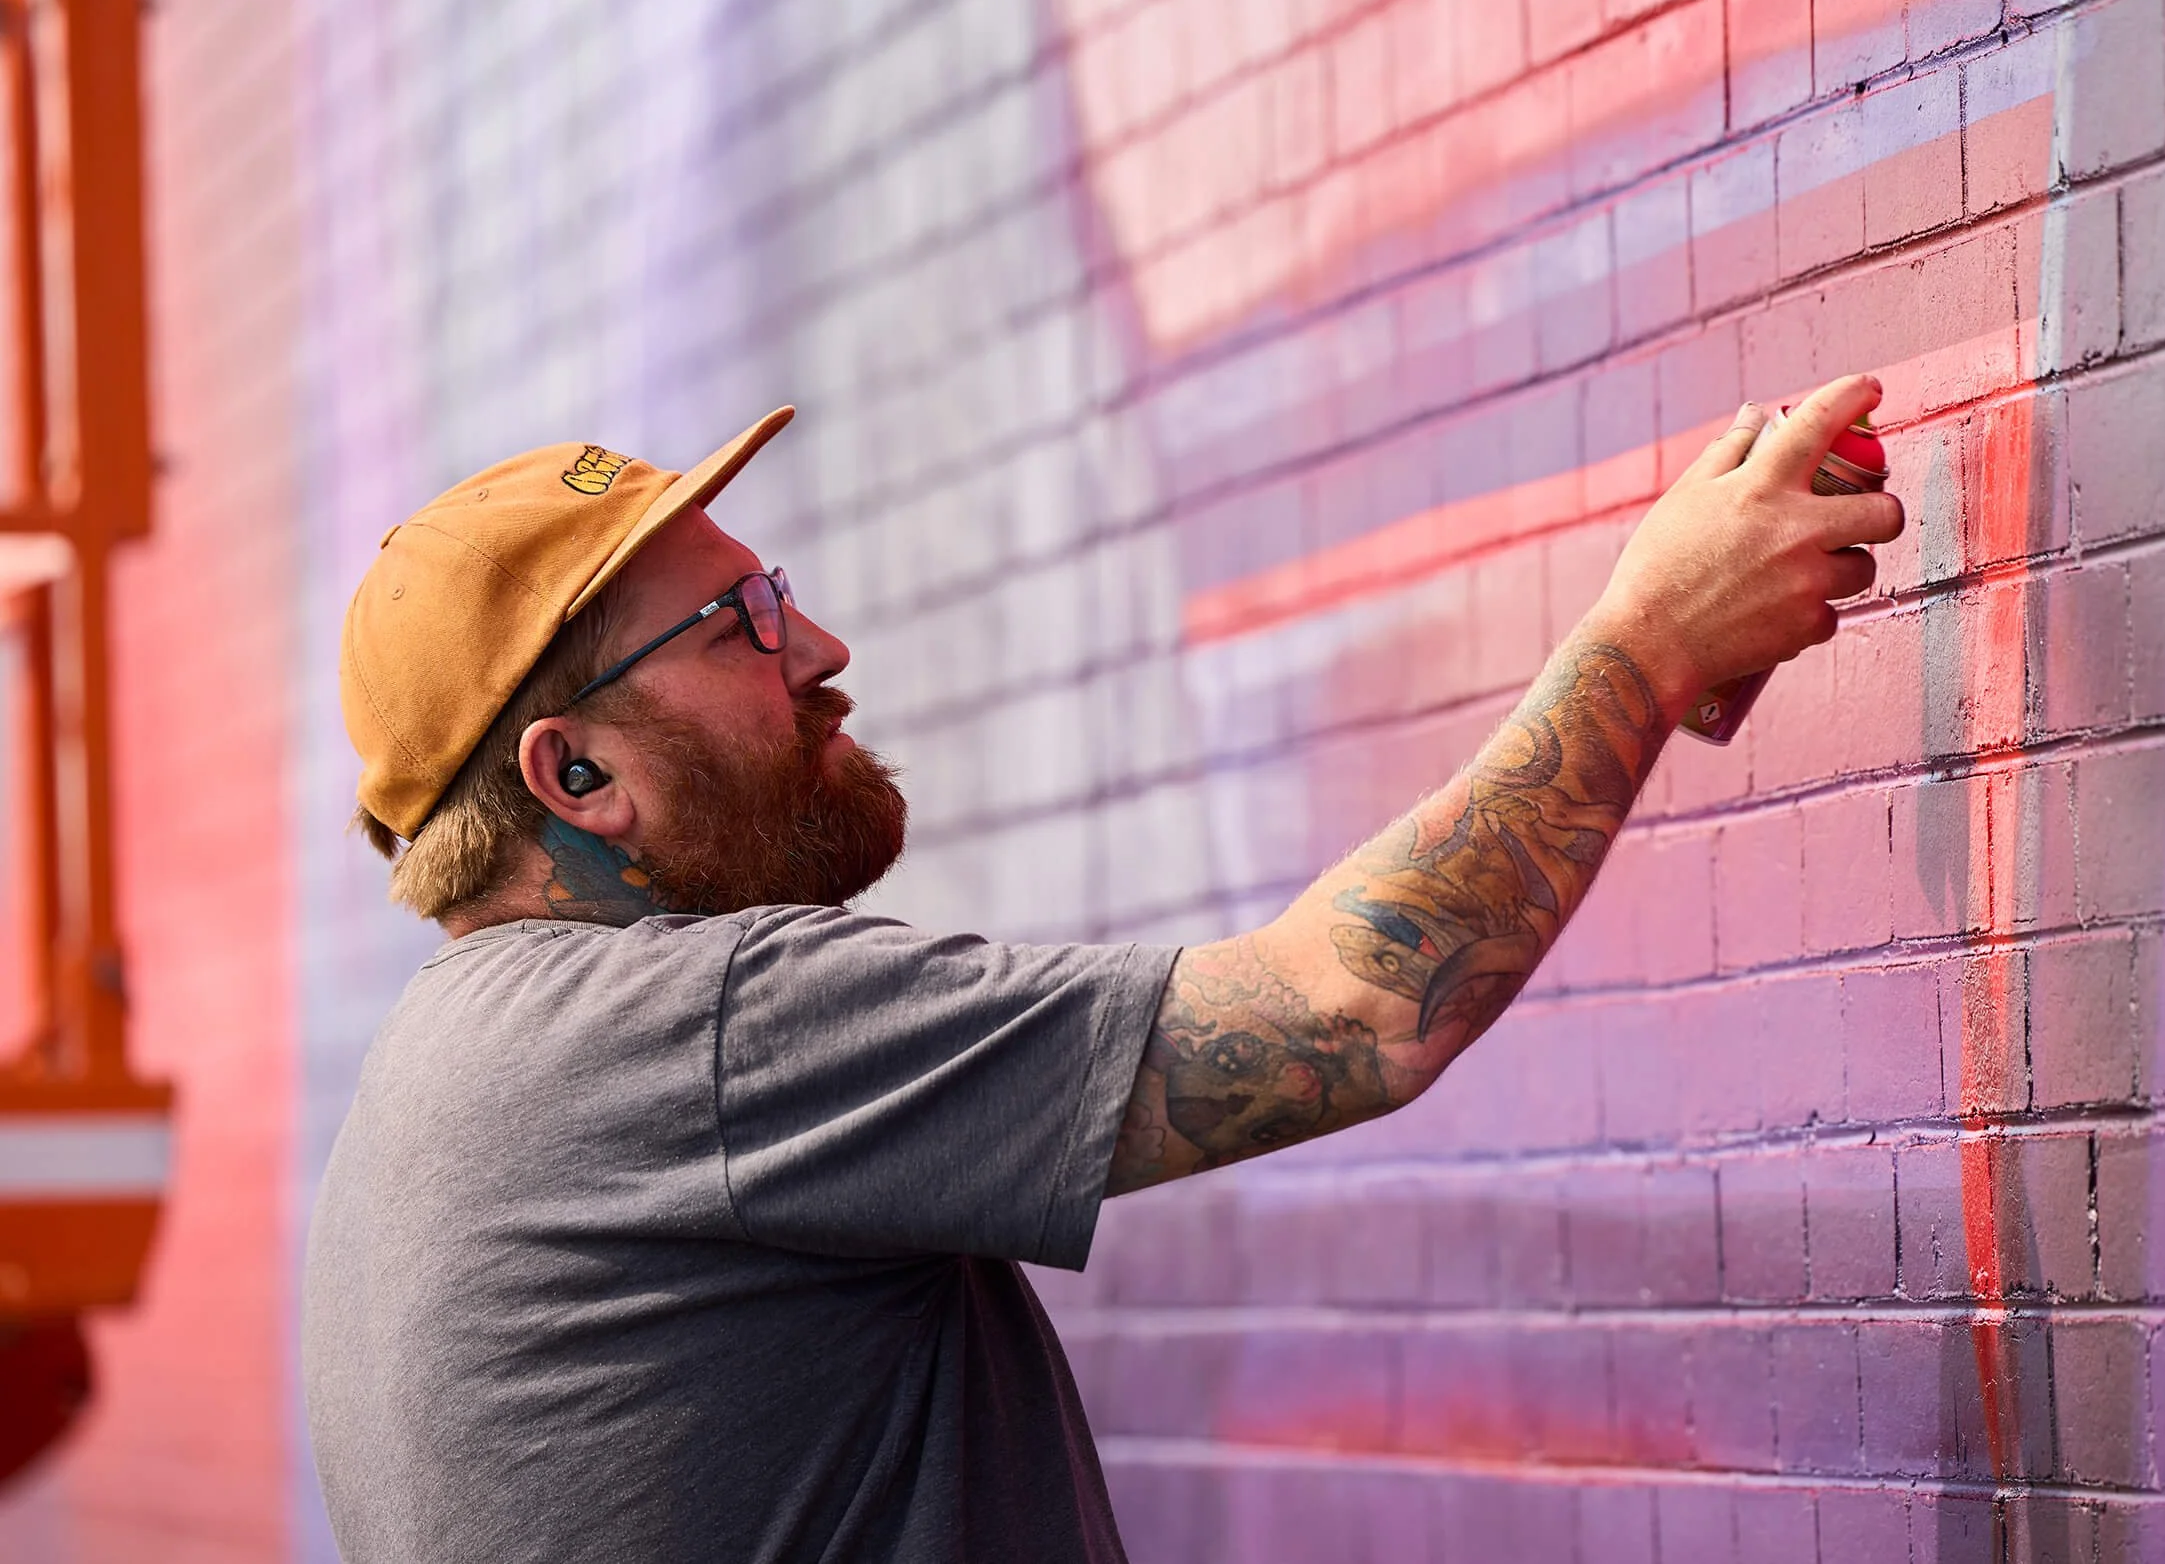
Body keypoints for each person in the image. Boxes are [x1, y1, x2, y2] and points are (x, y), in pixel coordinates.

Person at [303, 376, 1904, 1563]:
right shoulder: (686, 1035)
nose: (820, 650)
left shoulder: (435, 1090)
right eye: (742, 622)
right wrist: (1653, 638)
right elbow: (1354, 1013)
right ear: (577, 777)